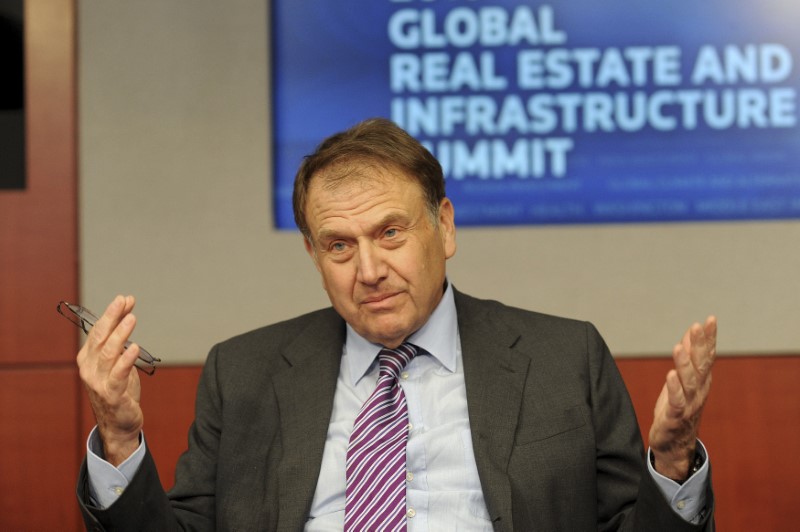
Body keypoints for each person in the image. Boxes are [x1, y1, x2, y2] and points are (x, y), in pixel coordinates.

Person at [77, 118, 717, 531]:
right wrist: (120, 441)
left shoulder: (562, 357)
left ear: (445, 227)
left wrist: (672, 458)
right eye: (339, 245)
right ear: (312, 256)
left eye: (390, 233)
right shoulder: (242, 373)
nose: (369, 269)